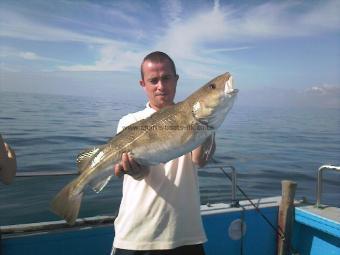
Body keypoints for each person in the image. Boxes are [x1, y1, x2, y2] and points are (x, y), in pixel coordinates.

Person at [111, 51, 215, 255]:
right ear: (143, 84)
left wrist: (207, 123)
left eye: (166, 78)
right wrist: (133, 170)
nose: (161, 86)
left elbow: (199, 160)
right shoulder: (130, 122)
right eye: (153, 80)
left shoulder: (197, 117)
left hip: (185, 234)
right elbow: (139, 174)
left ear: (176, 79)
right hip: (136, 236)